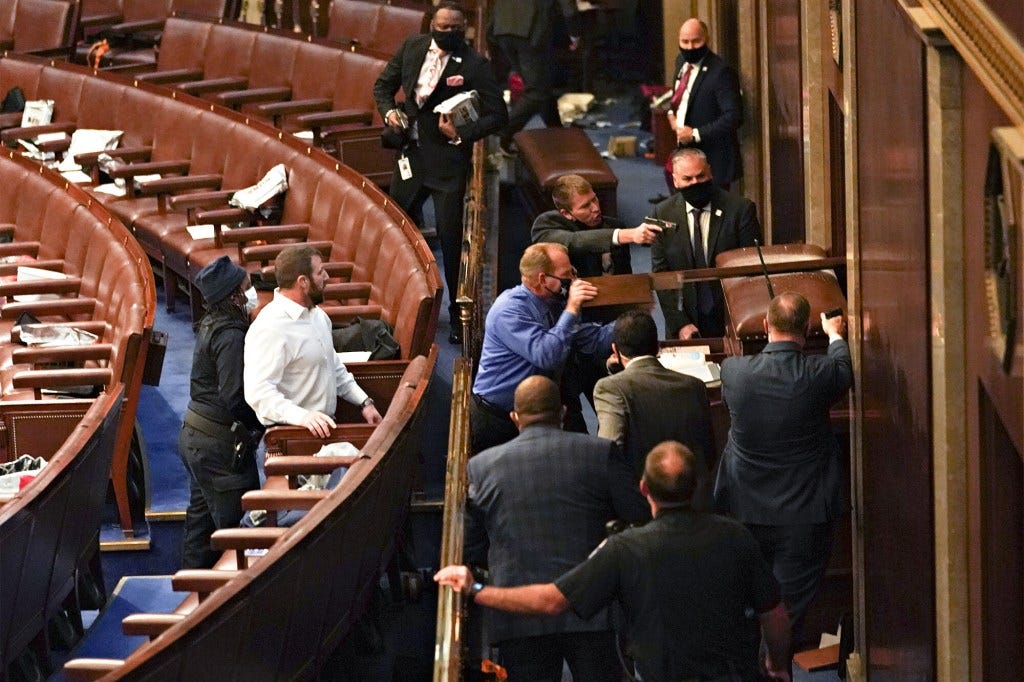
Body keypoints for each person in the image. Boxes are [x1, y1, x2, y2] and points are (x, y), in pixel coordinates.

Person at [437, 442, 793, 682]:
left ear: (643, 489)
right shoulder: (735, 536)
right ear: (698, 484)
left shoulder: (624, 549)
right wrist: (777, 665)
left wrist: (477, 589)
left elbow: (551, 600)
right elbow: (774, 613)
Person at [463, 375, 649, 681]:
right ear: (562, 412)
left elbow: (472, 546)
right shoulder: (599, 453)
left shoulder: (481, 468)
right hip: (593, 609)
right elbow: (637, 517)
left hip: (519, 613)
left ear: (514, 417)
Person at [713, 292, 852, 644]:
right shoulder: (819, 374)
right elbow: (843, 369)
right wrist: (835, 334)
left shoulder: (734, 372)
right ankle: (773, 666)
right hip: (804, 514)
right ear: (807, 327)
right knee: (787, 611)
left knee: (748, 602)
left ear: (764, 325)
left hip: (746, 509)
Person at [373, 1, 508, 345]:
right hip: (411, 156)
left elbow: (498, 115)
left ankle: (456, 317)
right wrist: (389, 112)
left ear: (465, 29)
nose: (449, 33)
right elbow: (383, 86)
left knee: (450, 239)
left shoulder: (475, 64)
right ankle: (396, 307)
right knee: (398, 230)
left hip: (447, 163)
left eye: (456, 29)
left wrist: (462, 133)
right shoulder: (412, 46)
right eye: (443, 27)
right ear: (431, 24)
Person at [470, 242, 612, 452]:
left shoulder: (556, 302)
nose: (572, 280)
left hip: (544, 408)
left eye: (572, 272)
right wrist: (572, 308)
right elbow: (547, 355)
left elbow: (587, 339)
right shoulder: (509, 310)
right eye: (566, 274)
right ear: (542, 280)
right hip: (499, 421)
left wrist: (630, 325)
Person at [244, 245, 383, 437]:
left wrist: (364, 402)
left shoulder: (319, 316)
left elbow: (333, 367)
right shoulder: (270, 328)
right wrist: (303, 417)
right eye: (320, 272)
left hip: (325, 430)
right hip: (293, 434)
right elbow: (258, 393)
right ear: (303, 282)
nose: (326, 277)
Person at [179, 256, 264, 568]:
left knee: (200, 528)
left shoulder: (213, 323)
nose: (252, 292)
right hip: (218, 448)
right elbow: (234, 396)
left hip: (196, 437)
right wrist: (264, 421)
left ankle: (191, 595)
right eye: (247, 288)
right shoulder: (230, 334)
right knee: (237, 531)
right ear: (234, 296)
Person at [593, 311, 714, 485]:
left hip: (642, 499)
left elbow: (607, 458)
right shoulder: (694, 386)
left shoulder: (610, 389)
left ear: (615, 350)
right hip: (691, 492)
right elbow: (708, 453)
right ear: (657, 347)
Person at [650, 148, 760, 339]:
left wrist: (738, 319)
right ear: (675, 181)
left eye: (701, 176)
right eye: (687, 179)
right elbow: (662, 276)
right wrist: (681, 324)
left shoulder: (740, 210)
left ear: (710, 172)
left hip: (732, 318)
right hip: (684, 322)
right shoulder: (662, 214)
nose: (695, 183)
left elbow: (751, 270)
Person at [530, 173, 662, 278]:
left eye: (594, 199)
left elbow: (624, 275)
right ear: (567, 214)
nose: (595, 208)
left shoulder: (613, 225)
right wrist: (626, 234)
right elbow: (574, 241)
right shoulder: (547, 224)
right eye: (585, 206)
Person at [663, 18, 743, 189]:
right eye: (685, 42)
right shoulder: (681, 62)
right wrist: (672, 114)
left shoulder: (721, 72)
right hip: (685, 153)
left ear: (707, 39)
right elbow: (679, 95)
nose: (690, 47)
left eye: (696, 41)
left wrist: (695, 134)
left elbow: (734, 116)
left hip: (713, 160)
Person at [489, 0, 569, 153]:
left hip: (503, 26)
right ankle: (503, 132)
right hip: (531, 29)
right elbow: (568, 7)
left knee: (540, 84)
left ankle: (557, 131)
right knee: (537, 91)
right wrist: (574, 31)